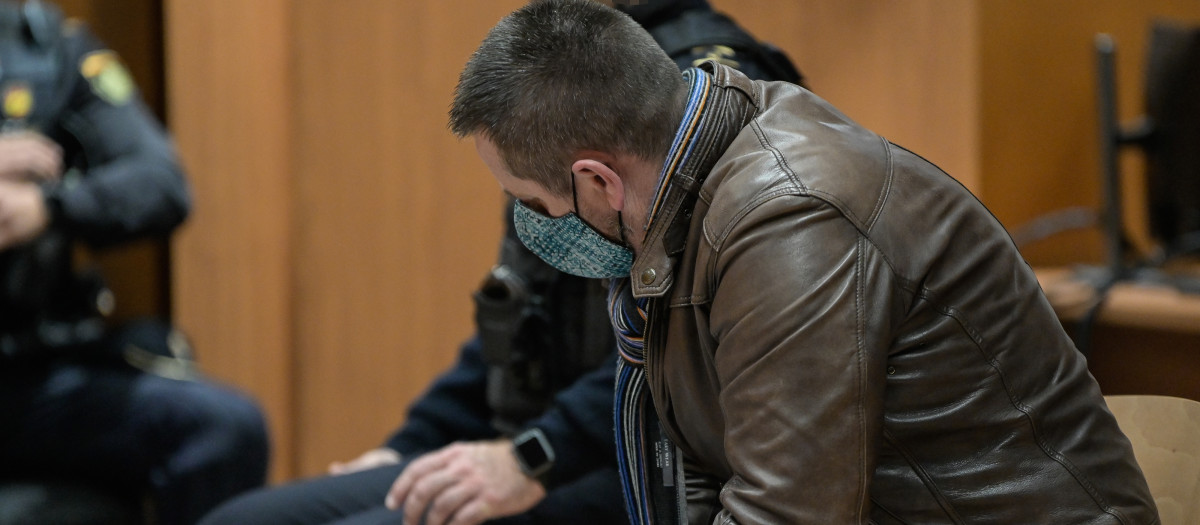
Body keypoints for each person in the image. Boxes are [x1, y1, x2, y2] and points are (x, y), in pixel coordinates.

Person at [448, 1, 1161, 524]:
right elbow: (705, 470)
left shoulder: (790, 221)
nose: (534, 226)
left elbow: (786, 515)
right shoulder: (690, 179)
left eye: (534, 201)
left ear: (600, 181)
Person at [199, 2, 802, 525]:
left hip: (651, 457)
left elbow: (670, 353)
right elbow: (520, 317)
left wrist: (532, 456)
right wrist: (412, 446)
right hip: (543, 440)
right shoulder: (549, 71)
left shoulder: (695, 99)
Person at [0, 1, 269, 523]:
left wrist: (46, 206)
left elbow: (159, 183)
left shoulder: (45, 49)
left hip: (29, 374)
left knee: (222, 427)